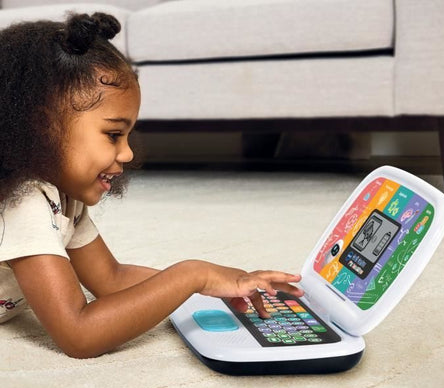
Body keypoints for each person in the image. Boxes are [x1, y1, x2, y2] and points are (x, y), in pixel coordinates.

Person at [0, 12, 303, 358]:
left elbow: (111, 279)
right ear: (42, 127)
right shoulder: (23, 202)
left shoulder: (65, 196)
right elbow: (78, 334)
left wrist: (222, 283)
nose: (128, 153)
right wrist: (194, 275)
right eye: (114, 134)